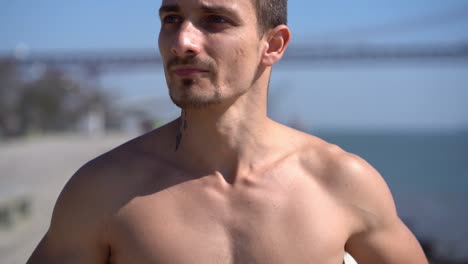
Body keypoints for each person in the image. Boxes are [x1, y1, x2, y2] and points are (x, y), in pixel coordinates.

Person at [27, 0, 428, 263]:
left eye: (215, 20)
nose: (182, 41)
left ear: (273, 44)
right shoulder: (103, 191)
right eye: (171, 19)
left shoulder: (340, 183)